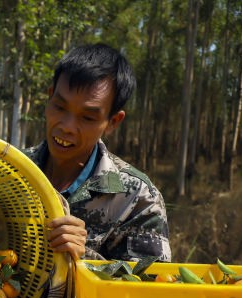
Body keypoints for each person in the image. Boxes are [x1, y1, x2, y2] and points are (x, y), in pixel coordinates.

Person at [25, 43, 172, 262]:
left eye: (87, 118)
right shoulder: (10, 171)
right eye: (60, 107)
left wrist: (85, 258)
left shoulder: (137, 199)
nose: (67, 126)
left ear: (113, 121)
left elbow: (149, 288)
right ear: (49, 98)